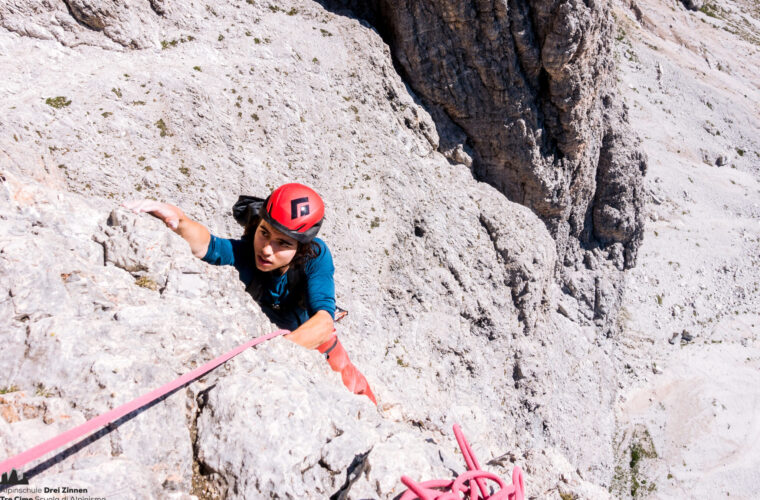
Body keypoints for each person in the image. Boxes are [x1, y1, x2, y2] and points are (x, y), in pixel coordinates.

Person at [124, 183, 376, 403]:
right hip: (273, 335)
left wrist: (273, 357)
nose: (267, 249)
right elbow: (209, 246)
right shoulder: (248, 251)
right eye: (264, 233)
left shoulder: (315, 256)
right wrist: (179, 221)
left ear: (300, 248)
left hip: (316, 343)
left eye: (283, 243)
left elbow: (323, 321)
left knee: (355, 388)